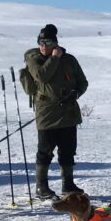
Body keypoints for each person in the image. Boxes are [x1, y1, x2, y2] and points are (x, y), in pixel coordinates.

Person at [23, 24, 89, 200]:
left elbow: (83, 82)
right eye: (41, 42)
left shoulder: (70, 60)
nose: (44, 46)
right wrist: (54, 58)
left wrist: (77, 93)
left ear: (56, 43)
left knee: (67, 151)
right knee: (45, 151)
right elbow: (42, 77)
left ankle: (68, 185)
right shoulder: (33, 58)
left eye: (48, 42)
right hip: (47, 113)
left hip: (68, 112)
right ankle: (41, 187)